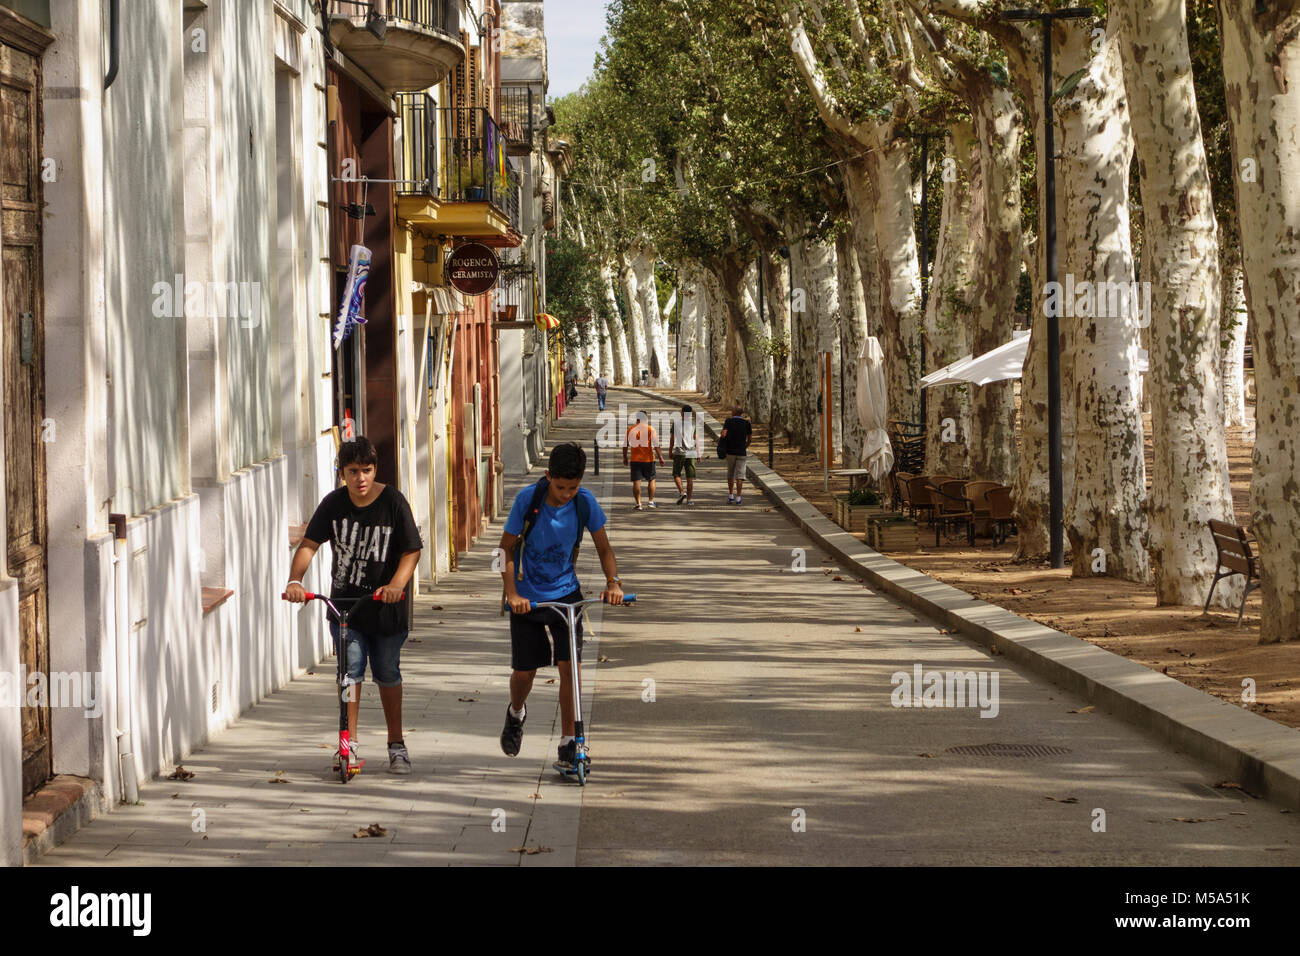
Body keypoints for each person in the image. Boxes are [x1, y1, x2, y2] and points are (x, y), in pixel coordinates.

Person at [286, 437, 423, 775]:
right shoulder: (333, 504)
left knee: (388, 673)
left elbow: (411, 549)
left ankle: (396, 746)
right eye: (353, 471)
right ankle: (348, 744)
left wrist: (396, 585)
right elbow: (309, 544)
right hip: (346, 607)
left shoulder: (392, 501)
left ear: (375, 470)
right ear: (341, 473)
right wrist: (295, 581)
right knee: (350, 674)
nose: (361, 478)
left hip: (386, 609)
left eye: (367, 470)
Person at [499, 443, 625, 769]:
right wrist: (512, 594)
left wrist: (613, 583)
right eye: (560, 487)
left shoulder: (585, 503)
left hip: (567, 593)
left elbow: (604, 549)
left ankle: (570, 742)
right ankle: (516, 712)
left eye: (573, 487)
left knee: (571, 669)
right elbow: (505, 551)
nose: (566, 494)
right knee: (525, 672)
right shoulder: (528, 500)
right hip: (528, 596)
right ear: (547, 476)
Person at [623, 410, 664, 510]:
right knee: (652, 479)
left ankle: (638, 504)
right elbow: (656, 445)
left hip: (635, 459)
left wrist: (625, 457)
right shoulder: (651, 429)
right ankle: (650, 501)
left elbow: (625, 445)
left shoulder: (630, 430)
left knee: (637, 481)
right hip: (649, 460)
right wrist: (661, 457)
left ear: (637, 419)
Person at [720, 404, 753, 505]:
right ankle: (738, 497)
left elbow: (723, 434)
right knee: (740, 476)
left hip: (730, 452)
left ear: (734, 412)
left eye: (732, 410)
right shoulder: (747, 423)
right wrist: (745, 447)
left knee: (730, 474)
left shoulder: (728, 421)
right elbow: (750, 439)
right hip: (741, 452)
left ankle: (731, 495)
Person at [669, 404, 700, 505]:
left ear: (682, 413)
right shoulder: (693, 424)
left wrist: (670, 450)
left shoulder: (676, 423)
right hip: (691, 452)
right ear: (690, 413)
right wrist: (699, 454)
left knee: (676, 474)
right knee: (690, 477)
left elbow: (672, 439)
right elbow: (696, 439)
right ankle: (689, 500)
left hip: (679, 452)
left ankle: (682, 492)